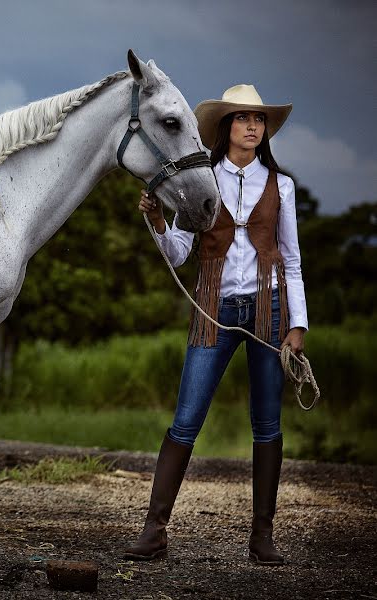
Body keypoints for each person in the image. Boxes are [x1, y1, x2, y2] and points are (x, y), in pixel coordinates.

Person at [124, 84, 308, 565]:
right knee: (186, 421)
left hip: (270, 311)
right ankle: (154, 532)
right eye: (243, 118)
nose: (253, 126)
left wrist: (298, 326)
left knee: (267, 424)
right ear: (225, 127)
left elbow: (292, 261)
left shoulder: (281, 185)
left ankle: (262, 538)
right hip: (213, 308)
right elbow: (180, 255)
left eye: (259, 120)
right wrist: (160, 224)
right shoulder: (199, 180)